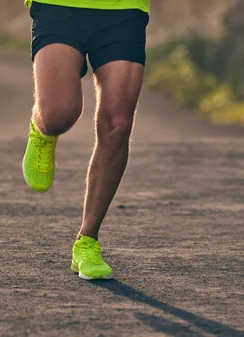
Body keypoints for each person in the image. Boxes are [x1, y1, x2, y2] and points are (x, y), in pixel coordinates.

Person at [22, 0, 150, 280]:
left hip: (123, 8)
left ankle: (87, 241)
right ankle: (42, 127)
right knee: (59, 114)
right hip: (59, 5)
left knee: (118, 124)